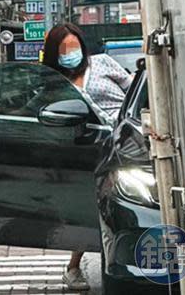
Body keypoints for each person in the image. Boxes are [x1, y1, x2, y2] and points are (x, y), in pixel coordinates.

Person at [40, 24, 133, 290]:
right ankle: (74, 267)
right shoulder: (53, 83)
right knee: (87, 208)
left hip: (127, 143)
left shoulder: (103, 64)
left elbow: (134, 90)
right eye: (64, 49)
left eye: (75, 47)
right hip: (85, 152)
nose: (71, 53)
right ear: (54, 54)